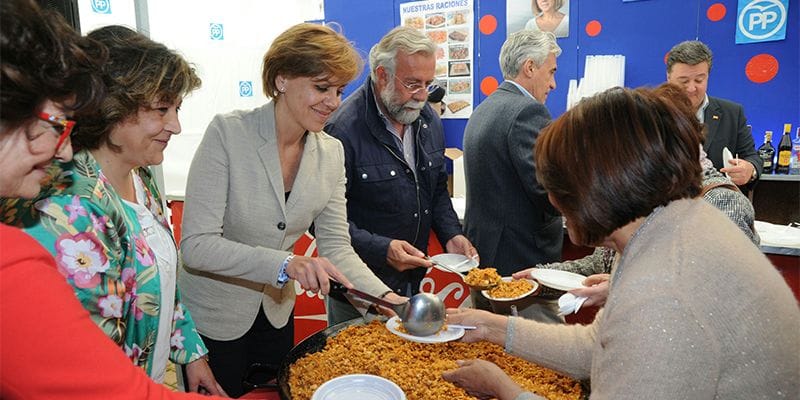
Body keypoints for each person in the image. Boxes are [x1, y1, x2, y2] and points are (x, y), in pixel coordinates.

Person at [443, 86, 800, 399]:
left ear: (597, 188)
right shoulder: (669, 224)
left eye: (556, 186)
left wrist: (505, 389)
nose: (550, 200)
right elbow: (599, 345)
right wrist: (491, 327)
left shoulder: (663, 290)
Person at [0, 1, 226, 398]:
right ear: (113, 109)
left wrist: (191, 354)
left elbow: (162, 286)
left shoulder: (141, 178)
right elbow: (84, 372)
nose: (175, 125)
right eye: (161, 110)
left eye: (177, 108)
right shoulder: (68, 208)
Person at [178, 23, 402, 397]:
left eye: (339, 90)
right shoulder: (228, 135)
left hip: (277, 314)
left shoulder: (331, 153)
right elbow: (196, 245)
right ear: (281, 79)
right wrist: (285, 264)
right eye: (321, 87)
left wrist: (390, 301)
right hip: (214, 320)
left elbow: (336, 248)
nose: (333, 101)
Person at [324, 26, 478, 324]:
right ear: (382, 76)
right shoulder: (341, 130)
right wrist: (383, 249)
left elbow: (435, 190)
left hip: (412, 283)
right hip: (360, 293)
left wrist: (451, 234)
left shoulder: (427, 119)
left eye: (428, 84)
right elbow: (326, 224)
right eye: (412, 84)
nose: (421, 96)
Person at [462, 29, 563, 323]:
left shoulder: (484, 108)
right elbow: (547, 192)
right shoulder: (528, 111)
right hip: (522, 263)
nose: (553, 83)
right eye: (551, 72)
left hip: (487, 256)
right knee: (538, 353)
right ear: (530, 67)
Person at [666, 40, 760, 188]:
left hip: (718, 204)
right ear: (669, 78)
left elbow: (752, 157)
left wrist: (750, 169)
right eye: (683, 81)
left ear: (708, 77)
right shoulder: (651, 114)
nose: (691, 88)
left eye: (699, 80)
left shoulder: (732, 113)